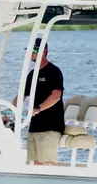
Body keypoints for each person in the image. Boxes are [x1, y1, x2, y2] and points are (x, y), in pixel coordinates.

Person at [11, 38, 65, 166]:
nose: (31, 53)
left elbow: (56, 96)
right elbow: (21, 97)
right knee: (35, 163)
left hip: (51, 126)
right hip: (35, 125)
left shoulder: (54, 72)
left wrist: (38, 109)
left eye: (34, 50)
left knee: (48, 162)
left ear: (44, 51)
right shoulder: (32, 75)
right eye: (30, 50)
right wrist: (8, 113)